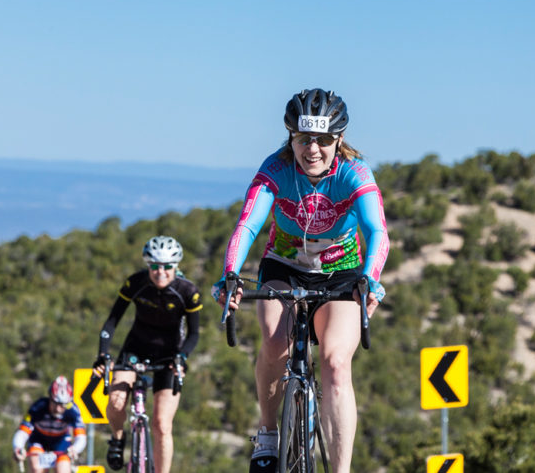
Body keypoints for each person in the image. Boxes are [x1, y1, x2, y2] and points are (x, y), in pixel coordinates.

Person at [213, 88, 389, 473]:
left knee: (336, 363)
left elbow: (377, 231)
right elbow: (247, 225)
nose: (312, 149)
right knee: (275, 342)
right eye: (303, 138)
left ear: (339, 139)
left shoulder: (354, 172)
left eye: (323, 139)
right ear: (290, 137)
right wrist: (230, 275)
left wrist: (370, 280)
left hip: (341, 271)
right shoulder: (276, 168)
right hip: (284, 266)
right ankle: (268, 432)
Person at [92, 235, 202, 473]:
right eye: (154, 266)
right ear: (148, 266)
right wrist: (103, 355)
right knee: (116, 401)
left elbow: (194, 334)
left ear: (176, 267)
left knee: (162, 425)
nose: (160, 272)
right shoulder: (136, 283)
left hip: (169, 355)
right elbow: (111, 322)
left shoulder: (188, 291)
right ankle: (118, 438)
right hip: (135, 349)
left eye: (167, 266)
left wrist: (182, 357)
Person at [12, 376, 87, 473]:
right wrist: (18, 447)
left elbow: (81, 437)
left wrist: (75, 449)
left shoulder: (73, 410)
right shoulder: (38, 407)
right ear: (50, 398)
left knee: (63, 471)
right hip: (39, 440)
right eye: (55, 403)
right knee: (37, 469)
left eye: (63, 404)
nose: (58, 408)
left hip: (61, 442)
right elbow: (23, 431)